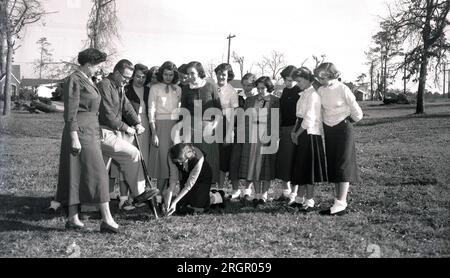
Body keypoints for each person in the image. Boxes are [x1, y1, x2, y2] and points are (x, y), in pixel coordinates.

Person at [55, 48, 119, 233]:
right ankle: (107, 219)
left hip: (90, 129)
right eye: (98, 65)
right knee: (98, 173)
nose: (99, 68)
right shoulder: (74, 80)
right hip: (79, 131)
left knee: (76, 173)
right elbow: (70, 112)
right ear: (88, 64)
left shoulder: (87, 79)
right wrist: (74, 137)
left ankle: (73, 218)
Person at [98, 59, 159, 211]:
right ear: (117, 73)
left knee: (101, 170)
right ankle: (139, 193)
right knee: (132, 153)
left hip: (110, 131)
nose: (127, 80)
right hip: (101, 131)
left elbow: (127, 107)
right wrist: (126, 127)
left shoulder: (118, 86)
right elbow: (107, 114)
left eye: (129, 78)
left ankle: (92, 205)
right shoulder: (105, 85)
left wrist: (137, 123)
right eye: (125, 77)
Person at [314, 62, 363, 216]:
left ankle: (341, 203)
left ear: (332, 75)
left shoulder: (343, 88)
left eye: (324, 76)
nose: (321, 79)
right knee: (334, 163)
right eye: (319, 77)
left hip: (343, 128)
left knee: (343, 164)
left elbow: (357, 112)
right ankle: (338, 201)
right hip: (329, 129)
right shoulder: (321, 90)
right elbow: (320, 110)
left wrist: (347, 122)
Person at [111, 63, 151, 211]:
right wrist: (129, 126)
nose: (140, 79)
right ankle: (123, 198)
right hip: (127, 128)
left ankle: (138, 196)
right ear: (132, 76)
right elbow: (122, 109)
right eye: (137, 76)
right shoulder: (125, 88)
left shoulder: (148, 90)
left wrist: (139, 124)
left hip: (143, 126)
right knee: (126, 161)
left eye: (143, 77)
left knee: (141, 162)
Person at [290, 67, 327, 212]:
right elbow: (298, 116)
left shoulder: (313, 95)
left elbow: (309, 119)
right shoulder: (303, 94)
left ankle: (309, 200)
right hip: (300, 131)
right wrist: (294, 131)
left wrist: (297, 133)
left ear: (308, 79)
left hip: (309, 134)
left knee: (308, 169)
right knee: (301, 167)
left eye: (299, 81)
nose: (297, 84)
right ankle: (299, 198)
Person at [239, 76, 280, 206]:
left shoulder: (275, 101)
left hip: (267, 136)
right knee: (253, 165)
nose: (260, 90)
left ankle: (264, 194)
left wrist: (275, 137)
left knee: (266, 166)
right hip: (252, 136)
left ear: (269, 87)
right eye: (258, 88)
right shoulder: (250, 100)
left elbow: (277, 120)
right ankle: (256, 194)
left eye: (263, 88)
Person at [180, 61, 221, 185]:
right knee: (191, 158)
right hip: (190, 128)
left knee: (208, 159)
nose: (190, 76)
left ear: (200, 72)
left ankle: (206, 191)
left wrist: (214, 124)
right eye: (188, 74)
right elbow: (184, 111)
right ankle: (190, 189)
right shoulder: (186, 89)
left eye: (192, 73)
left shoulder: (210, 86)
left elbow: (218, 109)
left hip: (207, 128)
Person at [148, 61, 182, 211]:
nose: (168, 77)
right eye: (166, 74)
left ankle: (168, 193)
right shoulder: (154, 88)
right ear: (161, 74)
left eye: (171, 74)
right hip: (160, 126)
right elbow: (151, 111)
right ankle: (159, 195)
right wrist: (154, 132)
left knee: (173, 160)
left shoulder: (178, 89)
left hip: (175, 126)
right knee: (163, 160)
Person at [166, 143, 225, 216]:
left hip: (203, 176)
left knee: (197, 207)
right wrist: (169, 199)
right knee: (180, 205)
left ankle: (216, 196)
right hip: (187, 176)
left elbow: (189, 185)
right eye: (178, 162)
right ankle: (202, 194)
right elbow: (173, 179)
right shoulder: (172, 154)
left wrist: (174, 202)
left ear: (188, 155)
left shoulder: (198, 158)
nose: (180, 165)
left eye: (182, 162)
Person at [228, 73, 257, 200]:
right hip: (239, 132)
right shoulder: (238, 96)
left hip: (252, 133)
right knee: (235, 160)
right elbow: (233, 114)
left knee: (249, 161)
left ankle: (247, 189)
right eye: (244, 85)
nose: (247, 88)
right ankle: (235, 189)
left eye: (249, 85)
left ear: (254, 84)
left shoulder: (258, 97)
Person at [274, 65, 301, 204]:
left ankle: (294, 194)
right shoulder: (284, 91)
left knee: (293, 161)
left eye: (291, 80)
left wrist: (295, 130)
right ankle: (285, 191)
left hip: (295, 129)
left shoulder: (300, 91)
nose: (288, 83)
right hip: (283, 129)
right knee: (283, 161)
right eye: (286, 80)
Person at [214, 63, 239, 192]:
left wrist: (229, 132)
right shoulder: (211, 86)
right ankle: (212, 186)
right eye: (218, 73)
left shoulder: (232, 91)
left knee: (223, 158)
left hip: (225, 125)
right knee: (213, 156)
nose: (221, 76)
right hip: (211, 124)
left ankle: (221, 188)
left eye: (224, 74)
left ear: (228, 76)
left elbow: (234, 113)